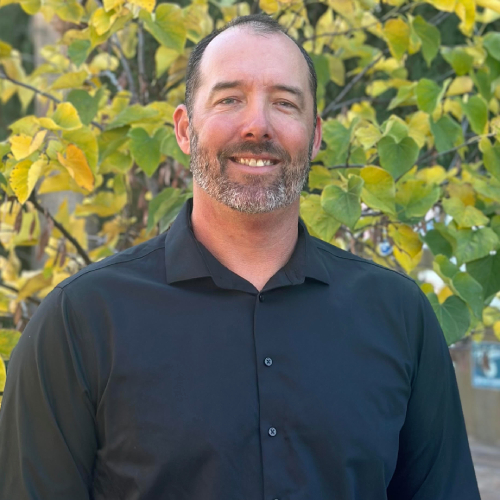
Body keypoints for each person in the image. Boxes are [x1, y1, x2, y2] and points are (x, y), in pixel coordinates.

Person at [0, 13, 480, 500]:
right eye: (229, 99)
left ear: (315, 135)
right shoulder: (81, 320)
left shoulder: (398, 315)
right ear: (184, 129)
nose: (257, 126)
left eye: (284, 103)